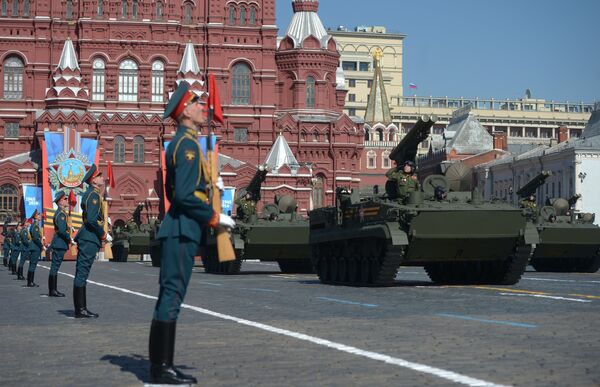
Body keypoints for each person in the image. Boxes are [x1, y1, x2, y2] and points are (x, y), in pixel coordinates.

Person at [149, 83, 235, 385]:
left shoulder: (188, 144)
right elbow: (184, 195)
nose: (203, 107)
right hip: (181, 229)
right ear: (184, 111)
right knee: (171, 295)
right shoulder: (185, 146)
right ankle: (161, 369)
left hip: (184, 228)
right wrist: (214, 217)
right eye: (198, 103)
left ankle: (162, 364)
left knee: (171, 295)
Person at [73, 164, 111, 318]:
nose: (103, 178)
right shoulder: (93, 196)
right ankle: (80, 309)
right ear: (94, 180)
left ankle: (81, 308)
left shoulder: (91, 194)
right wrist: (103, 234)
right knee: (82, 273)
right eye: (100, 175)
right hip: (89, 238)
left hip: (88, 238)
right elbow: (91, 220)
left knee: (82, 273)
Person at [49, 192, 70, 297]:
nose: (67, 200)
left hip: (59, 243)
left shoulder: (60, 213)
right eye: (65, 199)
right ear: (61, 202)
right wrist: (69, 237)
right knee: (55, 267)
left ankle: (53, 290)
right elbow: (62, 230)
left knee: (55, 267)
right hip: (60, 243)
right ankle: (53, 290)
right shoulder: (61, 214)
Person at [26, 210, 43, 287]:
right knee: (33, 265)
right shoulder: (35, 226)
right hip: (35, 247)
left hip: (34, 247)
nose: (40, 216)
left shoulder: (35, 225)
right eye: (39, 215)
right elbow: (36, 238)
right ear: (36, 216)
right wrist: (41, 245)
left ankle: (30, 281)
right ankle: (30, 282)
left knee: (32, 265)